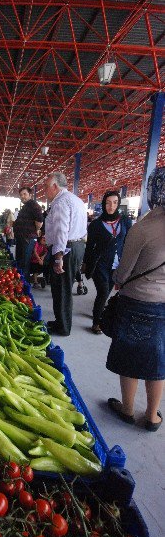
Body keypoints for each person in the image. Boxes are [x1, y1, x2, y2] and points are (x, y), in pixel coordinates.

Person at [106, 167, 165, 432]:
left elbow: (123, 273)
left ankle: (128, 409)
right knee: (158, 358)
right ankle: (152, 416)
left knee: (130, 356)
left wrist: (116, 276)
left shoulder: (143, 228)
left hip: (138, 302)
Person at [44, 172, 87, 336]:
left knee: (61, 289)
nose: (45, 191)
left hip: (66, 248)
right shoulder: (75, 199)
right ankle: (60, 320)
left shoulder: (61, 202)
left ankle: (63, 326)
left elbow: (62, 231)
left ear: (55, 186)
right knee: (64, 288)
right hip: (76, 246)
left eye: (46, 187)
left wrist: (58, 257)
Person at [83, 190, 132, 334]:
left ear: (118, 204)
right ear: (104, 204)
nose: (111, 206)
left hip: (118, 265)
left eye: (115, 202)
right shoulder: (96, 225)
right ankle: (96, 322)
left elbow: (129, 242)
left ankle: (99, 312)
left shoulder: (125, 222)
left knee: (108, 292)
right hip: (100, 265)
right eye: (108, 202)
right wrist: (86, 264)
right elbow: (90, 246)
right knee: (103, 292)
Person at [13, 186, 43, 282]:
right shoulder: (26, 206)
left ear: (30, 195)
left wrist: (37, 229)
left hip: (28, 239)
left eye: (24, 194)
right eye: (21, 195)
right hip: (22, 238)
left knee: (24, 263)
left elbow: (39, 221)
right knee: (20, 261)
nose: (22, 196)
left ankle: (24, 285)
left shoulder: (34, 205)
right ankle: (20, 282)